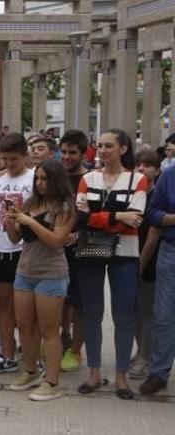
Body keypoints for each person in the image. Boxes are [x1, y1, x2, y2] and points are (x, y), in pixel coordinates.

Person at [75, 129, 147, 400]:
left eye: (108, 146)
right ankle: (94, 373)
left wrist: (99, 216)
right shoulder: (87, 178)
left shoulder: (138, 179)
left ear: (123, 149)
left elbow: (137, 219)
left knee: (124, 315)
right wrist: (119, 216)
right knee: (92, 312)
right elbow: (79, 218)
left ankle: (121, 376)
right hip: (91, 250)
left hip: (126, 253)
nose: (102, 150)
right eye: (99, 146)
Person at [4, 160, 75, 400]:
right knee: (24, 325)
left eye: (45, 179)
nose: (40, 183)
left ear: (56, 180)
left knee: (49, 330)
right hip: (25, 271)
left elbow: (57, 240)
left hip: (51, 273)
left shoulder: (65, 207)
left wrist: (31, 221)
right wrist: (9, 219)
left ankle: (53, 381)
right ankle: (31, 370)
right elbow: (15, 238)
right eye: (38, 179)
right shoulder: (31, 202)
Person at [0, 133, 34, 375]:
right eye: (6, 159)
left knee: (27, 309)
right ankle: (7, 354)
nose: (9, 164)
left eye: (14, 159)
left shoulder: (34, 180)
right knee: (5, 306)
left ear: (25, 155)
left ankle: (32, 355)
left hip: (24, 250)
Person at [141, 140, 175, 395]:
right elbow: (153, 213)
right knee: (163, 315)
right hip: (170, 252)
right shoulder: (170, 175)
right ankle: (159, 372)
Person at [57, 129, 90, 372]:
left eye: (72, 153)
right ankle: (61, 337)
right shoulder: (56, 176)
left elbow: (96, 218)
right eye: (64, 151)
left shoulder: (90, 179)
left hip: (81, 250)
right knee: (58, 298)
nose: (67, 157)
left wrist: (77, 235)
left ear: (83, 153)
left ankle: (76, 350)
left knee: (79, 302)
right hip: (55, 249)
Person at [129, 149, 161, 380]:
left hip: (149, 262)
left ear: (157, 170)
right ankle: (142, 350)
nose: (142, 168)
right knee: (134, 312)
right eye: (138, 164)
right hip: (129, 258)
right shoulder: (132, 194)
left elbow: (153, 235)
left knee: (147, 311)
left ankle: (146, 357)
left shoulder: (157, 197)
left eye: (147, 165)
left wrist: (140, 264)